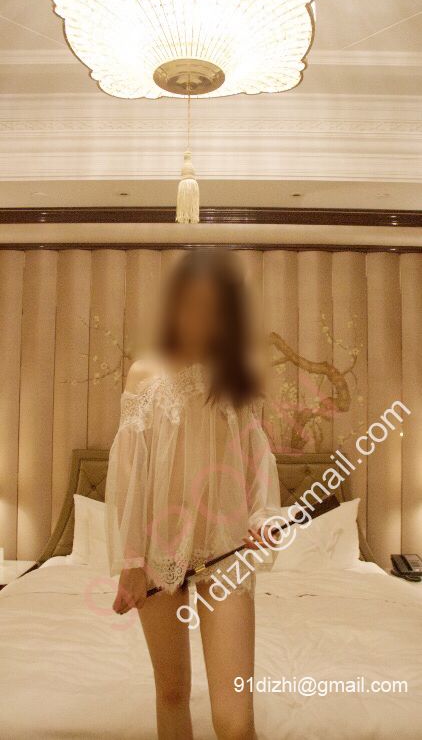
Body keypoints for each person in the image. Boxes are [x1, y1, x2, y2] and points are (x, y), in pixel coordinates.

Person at [105, 249, 280, 739]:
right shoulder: (144, 374)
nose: (200, 318)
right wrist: (131, 563)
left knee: (235, 721)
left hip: (226, 553)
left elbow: (256, 462)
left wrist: (263, 518)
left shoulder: (240, 375)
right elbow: (130, 475)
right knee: (172, 692)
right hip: (157, 554)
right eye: (191, 304)